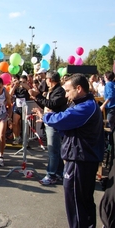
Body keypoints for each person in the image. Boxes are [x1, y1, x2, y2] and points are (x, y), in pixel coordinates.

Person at [33, 74, 105, 228]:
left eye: (67, 90)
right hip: (81, 158)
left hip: (80, 159)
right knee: (83, 202)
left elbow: (62, 119)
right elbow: (67, 125)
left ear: (78, 89)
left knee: (76, 203)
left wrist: (46, 116)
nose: (65, 95)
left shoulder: (86, 106)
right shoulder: (84, 104)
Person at [29, 71, 68, 185]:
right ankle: (59, 173)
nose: (45, 81)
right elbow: (46, 104)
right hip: (50, 121)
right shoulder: (53, 90)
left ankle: (51, 174)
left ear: (50, 80)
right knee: (56, 150)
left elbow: (52, 104)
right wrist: (37, 98)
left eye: (46, 79)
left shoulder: (59, 91)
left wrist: (38, 96)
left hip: (54, 123)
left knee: (53, 151)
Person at [9, 74, 31, 145]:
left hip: (26, 108)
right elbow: (10, 95)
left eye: (23, 82)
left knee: (25, 124)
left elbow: (28, 88)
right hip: (18, 107)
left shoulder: (27, 87)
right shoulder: (16, 88)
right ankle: (17, 138)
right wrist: (15, 85)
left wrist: (21, 83)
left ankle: (26, 139)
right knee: (15, 123)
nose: (21, 83)